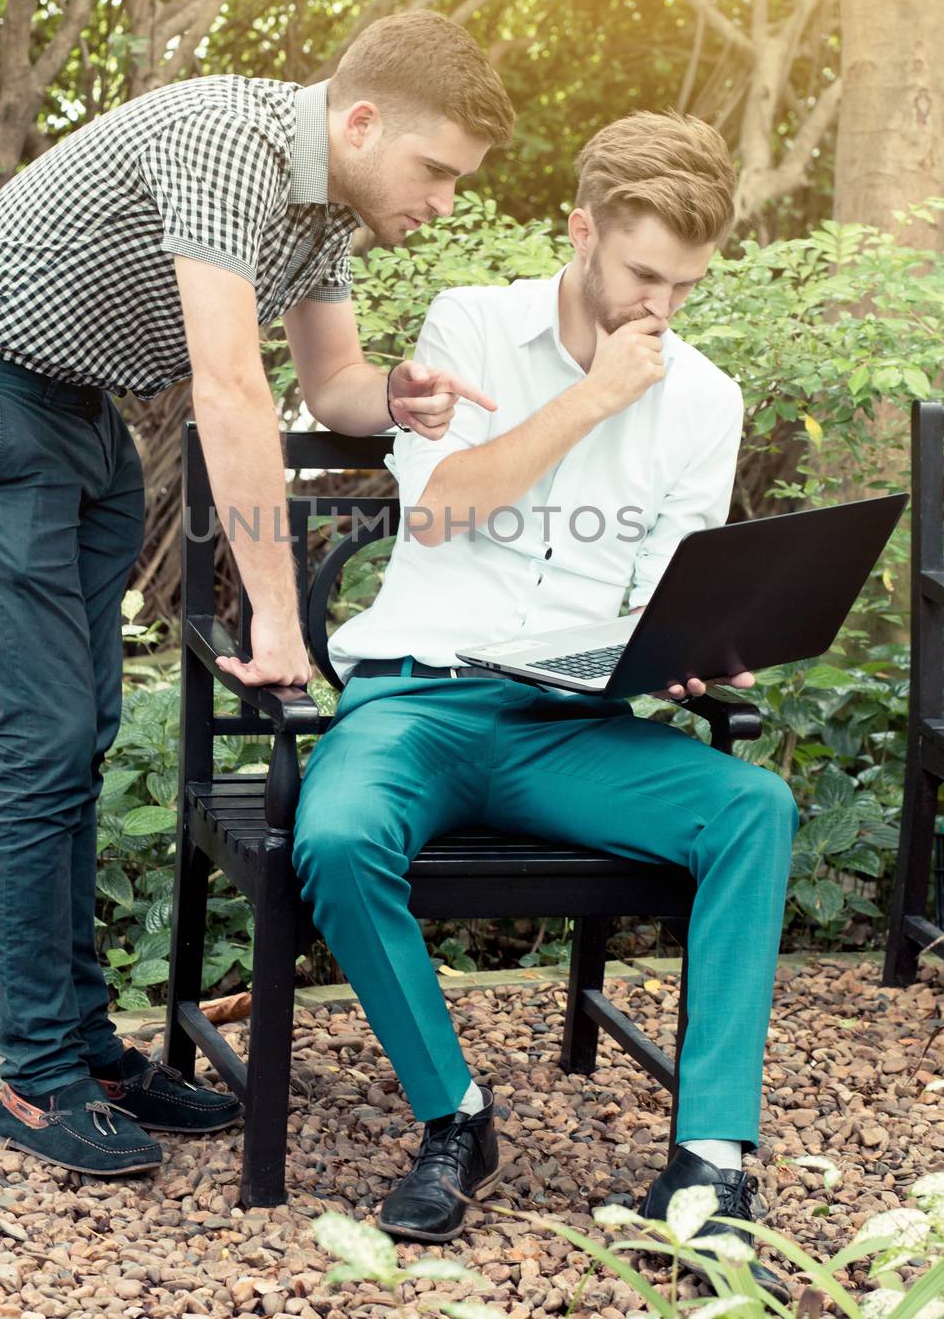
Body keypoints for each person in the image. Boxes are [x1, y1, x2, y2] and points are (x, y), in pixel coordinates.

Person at [0, 10, 514, 1176]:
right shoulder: (225, 138)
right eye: (432, 170)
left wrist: (401, 388)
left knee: (83, 732)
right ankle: (34, 1082)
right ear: (361, 119)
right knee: (44, 737)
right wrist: (278, 617)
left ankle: (81, 1044)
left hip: (77, 412)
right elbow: (227, 386)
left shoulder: (324, 208)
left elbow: (329, 387)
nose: (439, 198)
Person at [293, 111, 797, 1295]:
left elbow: (668, 585)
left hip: (571, 724)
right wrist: (592, 396)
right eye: (638, 275)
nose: (657, 309)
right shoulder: (470, 323)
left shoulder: (703, 400)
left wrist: (701, 647)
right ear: (579, 234)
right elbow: (441, 508)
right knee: (334, 832)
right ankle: (455, 1114)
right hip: (418, 701)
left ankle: (708, 1165)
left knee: (752, 807)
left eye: (681, 285)